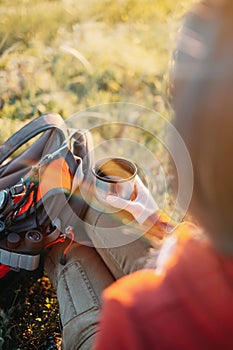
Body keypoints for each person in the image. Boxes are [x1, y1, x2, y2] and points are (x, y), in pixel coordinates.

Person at [45, 1, 233, 349]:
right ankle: (74, 221)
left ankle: (56, 249)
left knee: (72, 257)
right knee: (102, 216)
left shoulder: (135, 322)